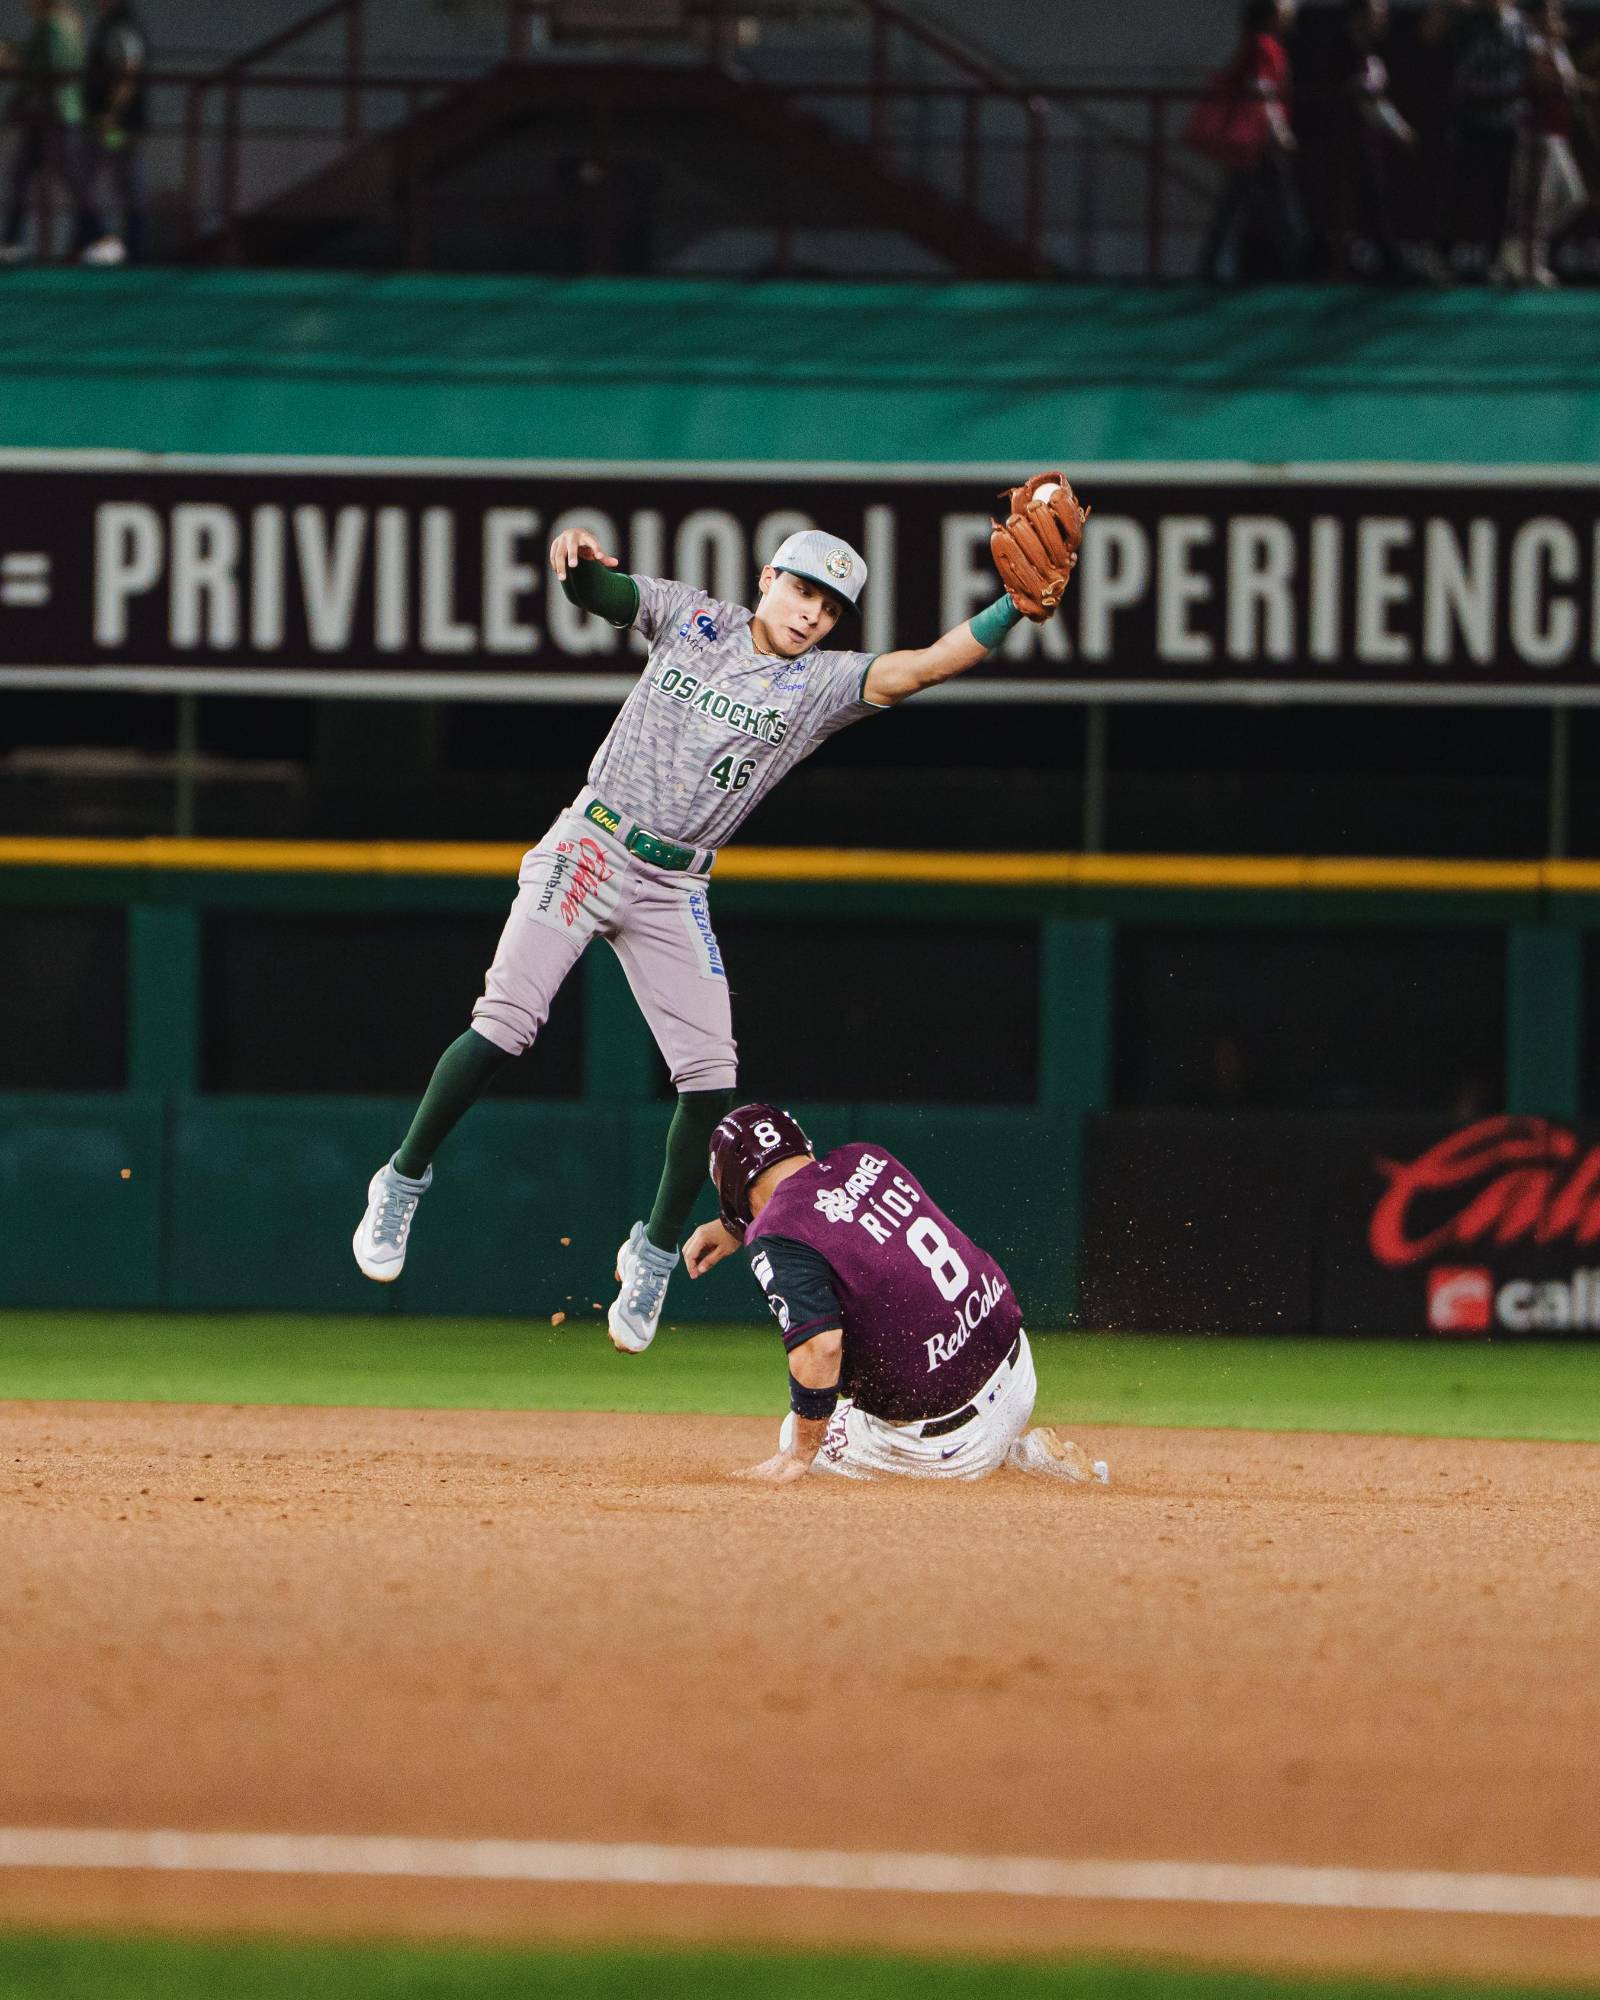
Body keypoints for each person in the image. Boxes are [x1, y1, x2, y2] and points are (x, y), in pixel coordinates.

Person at [352, 514, 1072, 1355]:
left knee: (710, 1083)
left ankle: (653, 1253)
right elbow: (602, 592)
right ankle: (401, 1178)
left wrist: (1009, 611)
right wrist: (574, 560)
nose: (811, 614)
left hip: (676, 884)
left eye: (830, 607)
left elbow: (927, 664)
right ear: (767, 579)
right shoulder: (693, 618)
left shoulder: (822, 685)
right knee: (505, 1024)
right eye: (801, 590)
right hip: (592, 842)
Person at [684, 1102, 1110, 1485]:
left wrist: (797, 1456)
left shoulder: (776, 1235)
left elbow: (821, 1349)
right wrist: (741, 1229)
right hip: (1017, 1372)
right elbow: (826, 1214)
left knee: (796, 1434)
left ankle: (1018, 1461)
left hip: (949, 1442)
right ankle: (1008, 1450)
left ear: (732, 1192)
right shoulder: (866, 1157)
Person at [1194, 0, 1305, 280]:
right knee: (1279, 204)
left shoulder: (1257, 45)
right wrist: (1279, 131)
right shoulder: (1265, 47)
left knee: (1237, 202)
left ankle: (1209, 264)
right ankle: (1298, 264)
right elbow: (1263, 90)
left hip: (1251, 142)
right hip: (1258, 141)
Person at [1508, 0, 1594, 286]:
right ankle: (1527, 265)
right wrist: (1586, 87)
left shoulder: (1555, 46)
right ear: (1535, 16)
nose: (1557, 18)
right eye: (1551, 13)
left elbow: (1567, 83)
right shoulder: (1531, 44)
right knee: (1536, 202)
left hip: (1558, 133)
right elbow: (1542, 80)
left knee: (1571, 196)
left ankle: (1518, 251)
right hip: (1538, 132)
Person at [1331, 0, 1418, 279]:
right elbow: (1366, 99)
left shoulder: (1368, 50)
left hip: (1369, 142)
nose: (1383, 18)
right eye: (1376, 13)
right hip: (1349, 142)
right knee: (1360, 202)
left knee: (1374, 201)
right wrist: (1397, 128)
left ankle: (1380, 261)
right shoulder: (1347, 50)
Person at [0, 0, 90, 264]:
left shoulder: (52, 28)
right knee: (26, 175)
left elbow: (48, 70)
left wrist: (15, 62)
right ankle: (12, 240)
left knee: (70, 178)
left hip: (52, 116)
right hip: (52, 115)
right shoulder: (65, 25)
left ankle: (98, 235)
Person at [1451, 0, 1532, 280]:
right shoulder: (1470, 22)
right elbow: (1461, 76)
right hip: (1474, 120)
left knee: (1504, 195)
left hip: (1507, 123)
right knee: (1470, 190)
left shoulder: (1519, 25)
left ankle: (1495, 258)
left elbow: (1526, 71)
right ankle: (1460, 255)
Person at [79, 0, 146, 265]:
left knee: (108, 181)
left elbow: (129, 71)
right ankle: (109, 243)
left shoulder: (121, 27)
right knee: (110, 182)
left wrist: (112, 114)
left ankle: (117, 245)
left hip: (115, 124)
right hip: (113, 121)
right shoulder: (113, 26)